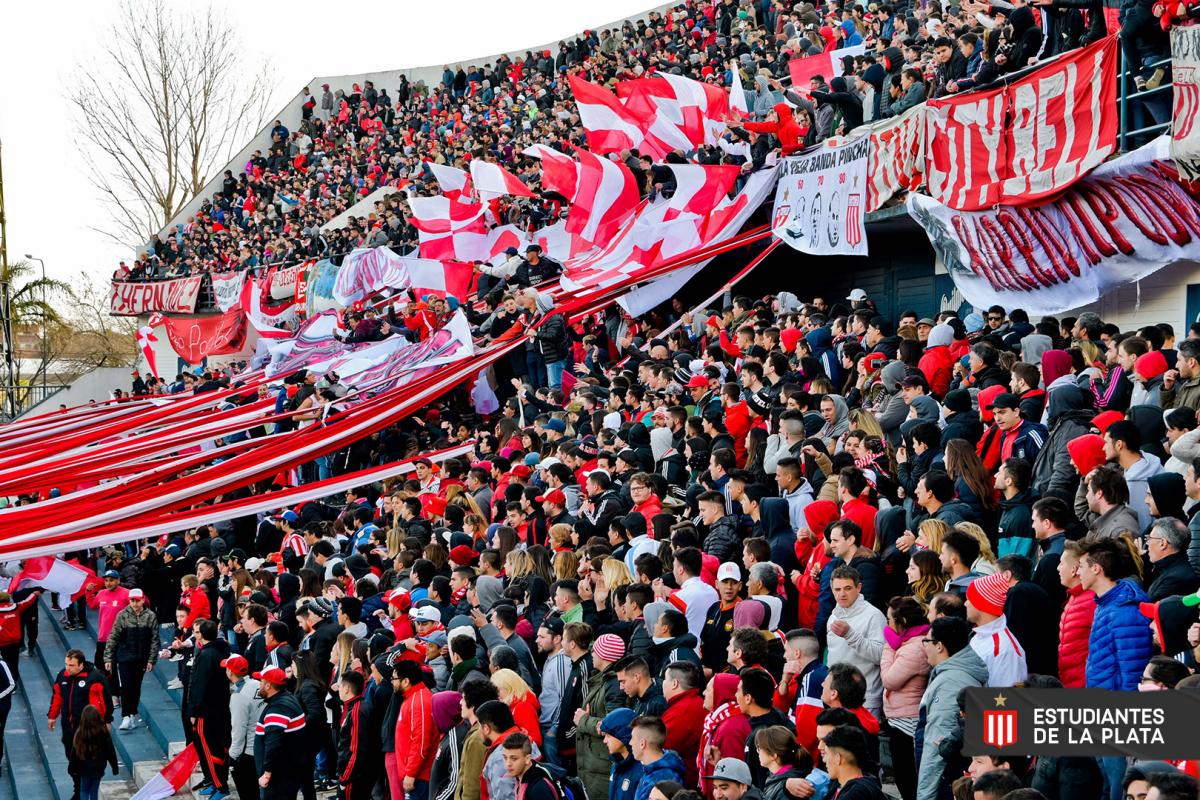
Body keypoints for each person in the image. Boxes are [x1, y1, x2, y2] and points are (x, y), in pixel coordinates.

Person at [918, 618, 987, 800]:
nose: (924, 646)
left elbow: (936, 746)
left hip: (946, 781)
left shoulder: (952, 683)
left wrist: (925, 795)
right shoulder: (952, 674)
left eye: (926, 641)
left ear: (939, 646)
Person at [49, 649, 111, 800]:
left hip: (87, 729)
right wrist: (52, 716)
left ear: (81, 665)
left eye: (71, 665)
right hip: (68, 727)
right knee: (72, 760)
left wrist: (107, 720)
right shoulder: (62, 676)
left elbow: (105, 700)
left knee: (86, 763)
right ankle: (79, 789)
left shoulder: (95, 677)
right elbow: (57, 696)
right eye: (66, 664)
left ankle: (80, 792)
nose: (67, 668)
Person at [825, 565, 886, 720]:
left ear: (858, 588)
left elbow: (881, 655)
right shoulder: (833, 617)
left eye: (847, 588)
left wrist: (850, 635)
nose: (842, 594)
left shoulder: (873, 616)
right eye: (837, 590)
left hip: (866, 699)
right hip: (837, 698)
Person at [104, 587, 159, 731]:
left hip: (141, 658)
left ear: (142, 600)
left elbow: (154, 639)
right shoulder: (122, 615)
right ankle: (125, 716)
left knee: (135, 687)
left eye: (137, 600)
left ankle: (132, 713)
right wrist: (108, 658)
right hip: (124, 658)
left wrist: (151, 660)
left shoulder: (150, 616)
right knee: (126, 686)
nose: (134, 603)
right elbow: (113, 637)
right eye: (132, 600)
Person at [189, 619, 232, 799]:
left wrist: (194, 711)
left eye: (197, 632)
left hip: (207, 711)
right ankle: (217, 783)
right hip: (221, 708)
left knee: (210, 749)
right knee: (218, 747)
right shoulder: (223, 650)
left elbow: (199, 685)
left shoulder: (206, 655)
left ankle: (220, 786)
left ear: (202, 635)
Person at [252, 665, 307, 799]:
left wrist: (267, 773)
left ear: (268, 686)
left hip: (278, 779)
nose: (259, 685)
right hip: (288, 774)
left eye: (261, 682)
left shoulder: (278, 708)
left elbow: (273, 744)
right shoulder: (288, 699)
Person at [965, 572, 1028, 687]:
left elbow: (1004, 701)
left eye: (969, 599)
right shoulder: (979, 636)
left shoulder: (1004, 650)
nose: (965, 604)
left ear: (981, 604)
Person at [223, 654, 264, 800]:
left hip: (247, 753)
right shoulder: (258, 684)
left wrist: (233, 756)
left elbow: (239, 729)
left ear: (230, 672)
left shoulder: (238, 696)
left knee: (248, 794)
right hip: (262, 746)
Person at [68, 705, 118, 800]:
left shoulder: (79, 733)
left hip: (84, 769)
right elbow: (110, 751)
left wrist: (71, 768)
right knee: (94, 790)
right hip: (98, 768)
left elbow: (74, 753)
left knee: (84, 790)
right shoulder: (104, 732)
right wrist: (114, 767)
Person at [631, 715, 686, 800]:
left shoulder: (663, 779)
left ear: (642, 744)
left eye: (632, 738)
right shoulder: (651, 770)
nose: (630, 743)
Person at [501, 731, 562, 800]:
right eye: (505, 758)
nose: (508, 763)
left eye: (514, 758)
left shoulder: (538, 789)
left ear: (527, 759)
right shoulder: (524, 776)